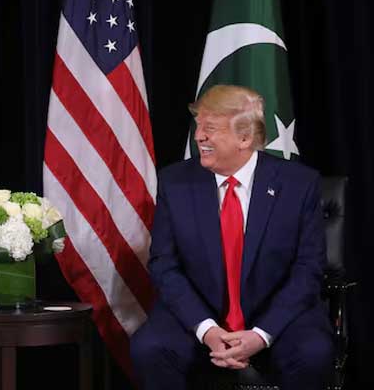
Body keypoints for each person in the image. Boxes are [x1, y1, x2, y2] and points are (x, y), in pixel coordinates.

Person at [130, 85, 333, 390]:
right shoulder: (175, 182)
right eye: (198, 126)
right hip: (199, 314)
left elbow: (308, 269)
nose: (199, 137)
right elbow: (164, 265)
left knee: (313, 353)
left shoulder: (298, 184)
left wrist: (261, 334)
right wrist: (208, 330)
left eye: (210, 129)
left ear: (245, 138)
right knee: (149, 348)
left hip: (276, 315)